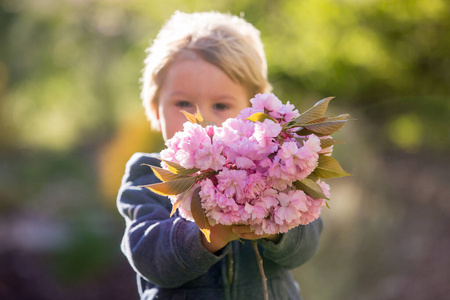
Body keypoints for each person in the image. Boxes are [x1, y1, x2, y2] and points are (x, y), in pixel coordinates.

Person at [117, 11, 323, 300]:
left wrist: (276, 228)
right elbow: (149, 257)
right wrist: (207, 236)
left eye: (221, 106)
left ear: (254, 111)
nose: (200, 120)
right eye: (183, 103)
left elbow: (307, 243)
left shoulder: (273, 165)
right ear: (154, 109)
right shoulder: (150, 173)